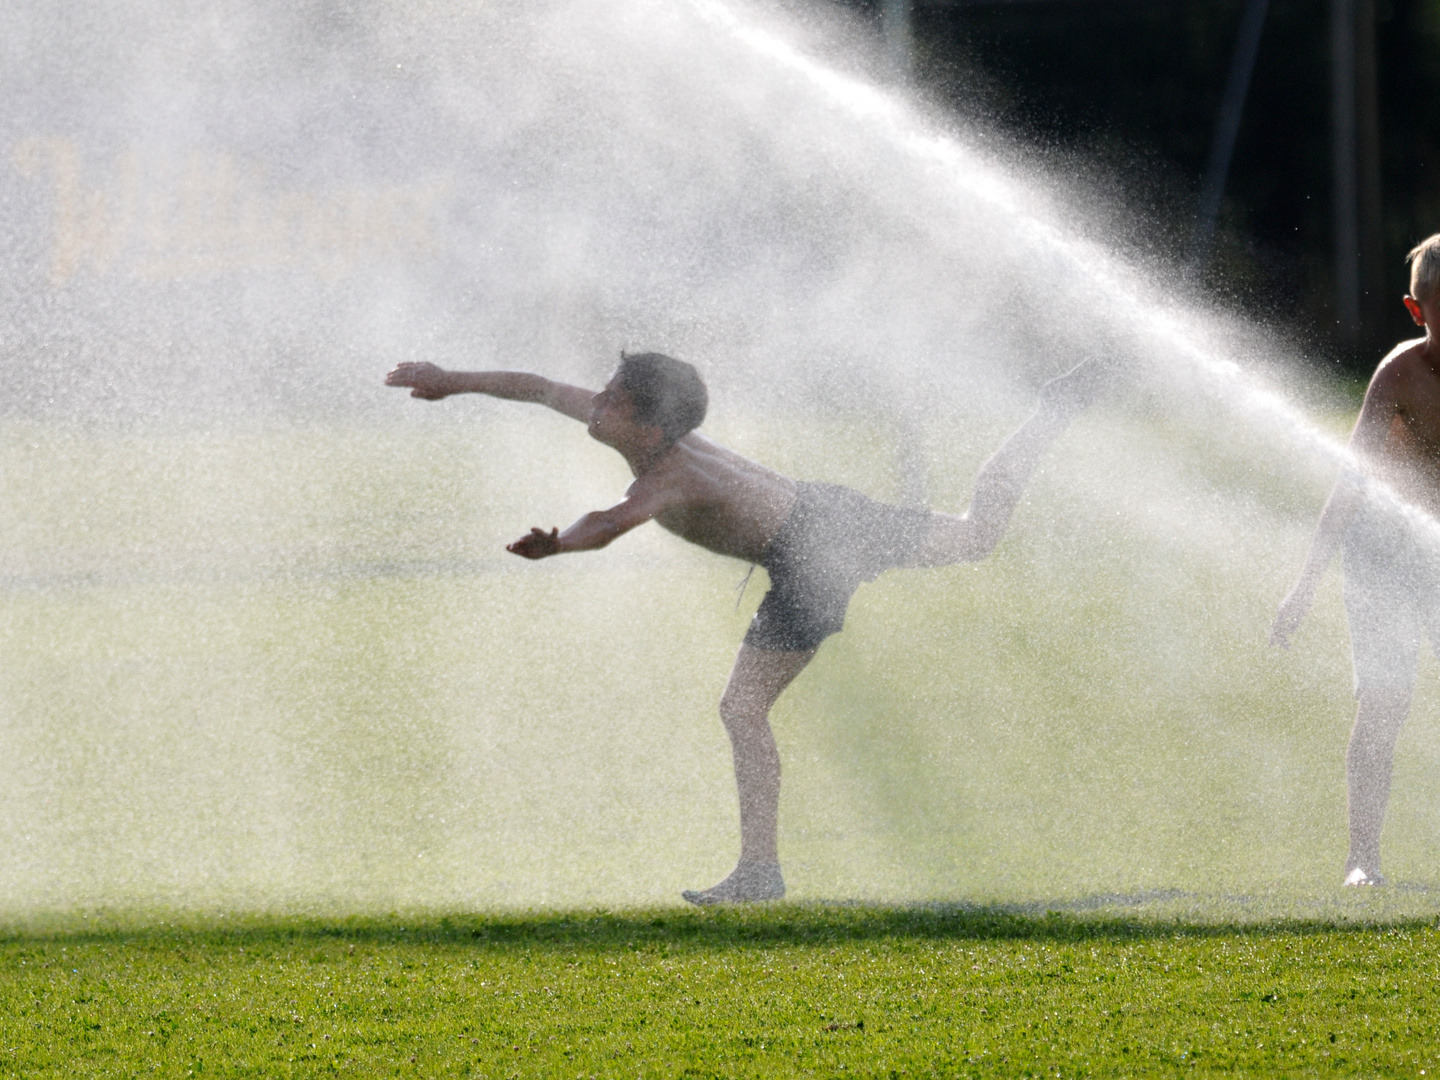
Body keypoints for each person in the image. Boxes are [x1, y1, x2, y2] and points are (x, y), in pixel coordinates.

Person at [386, 351, 1103, 903]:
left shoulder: (670, 477)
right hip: (826, 515)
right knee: (975, 535)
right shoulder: (642, 435)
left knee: (741, 707)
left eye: (611, 401)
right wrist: (451, 380)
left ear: (651, 427)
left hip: (811, 557)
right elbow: (540, 387)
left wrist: (559, 545)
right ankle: (1049, 413)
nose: (593, 404)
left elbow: (609, 522)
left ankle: (760, 872)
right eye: (603, 392)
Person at [1272, 234, 1440, 888]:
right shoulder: (1398, 378)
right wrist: (1302, 588)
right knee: (1385, 701)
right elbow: (1348, 484)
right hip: (1381, 556)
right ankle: (1361, 860)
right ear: (1415, 309)